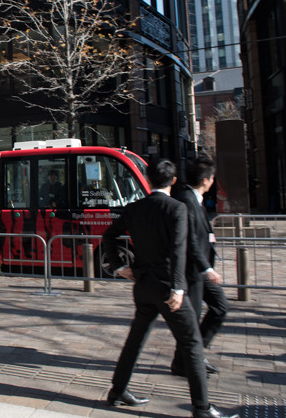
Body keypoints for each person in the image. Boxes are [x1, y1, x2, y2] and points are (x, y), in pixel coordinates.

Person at [101, 159, 237, 418]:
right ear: (173, 181)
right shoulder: (176, 208)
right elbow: (178, 250)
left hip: (142, 286)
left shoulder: (134, 208)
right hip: (167, 288)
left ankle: (117, 391)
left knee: (135, 340)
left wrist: (120, 267)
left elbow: (108, 235)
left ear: (149, 180)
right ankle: (202, 408)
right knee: (193, 344)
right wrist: (177, 287)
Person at [171, 156, 229, 377]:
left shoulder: (195, 199)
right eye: (212, 178)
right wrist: (207, 268)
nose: (213, 181)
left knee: (219, 307)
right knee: (193, 318)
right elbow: (190, 240)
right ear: (206, 179)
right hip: (194, 271)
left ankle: (192, 357)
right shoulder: (186, 200)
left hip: (201, 270)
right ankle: (188, 361)